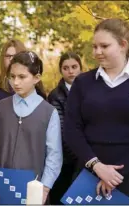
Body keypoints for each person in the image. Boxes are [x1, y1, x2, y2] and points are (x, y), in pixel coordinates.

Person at [64, 18, 129, 204]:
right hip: (88, 176)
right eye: (94, 46)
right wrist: (97, 166)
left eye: (104, 46)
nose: (97, 52)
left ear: (122, 45)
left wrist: (117, 174)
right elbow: (72, 130)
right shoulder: (82, 83)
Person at [0, 51, 62, 204]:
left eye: (22, 77)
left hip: (34, 191)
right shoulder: (1, 107)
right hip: (1, 189)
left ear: (36, 78)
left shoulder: (49, 113)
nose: (16, 82)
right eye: (12, 77)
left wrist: (45, 188)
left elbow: (54, 155)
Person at [47, 52, 83, 204]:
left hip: (88, 158)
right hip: (66, 161)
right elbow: (61, 132)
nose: (71, 71)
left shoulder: (89, 91)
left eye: (74, 67)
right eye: (66, 68)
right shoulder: (55, 96)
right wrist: (83, 156)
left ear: (81, 68)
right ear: (61, 71)